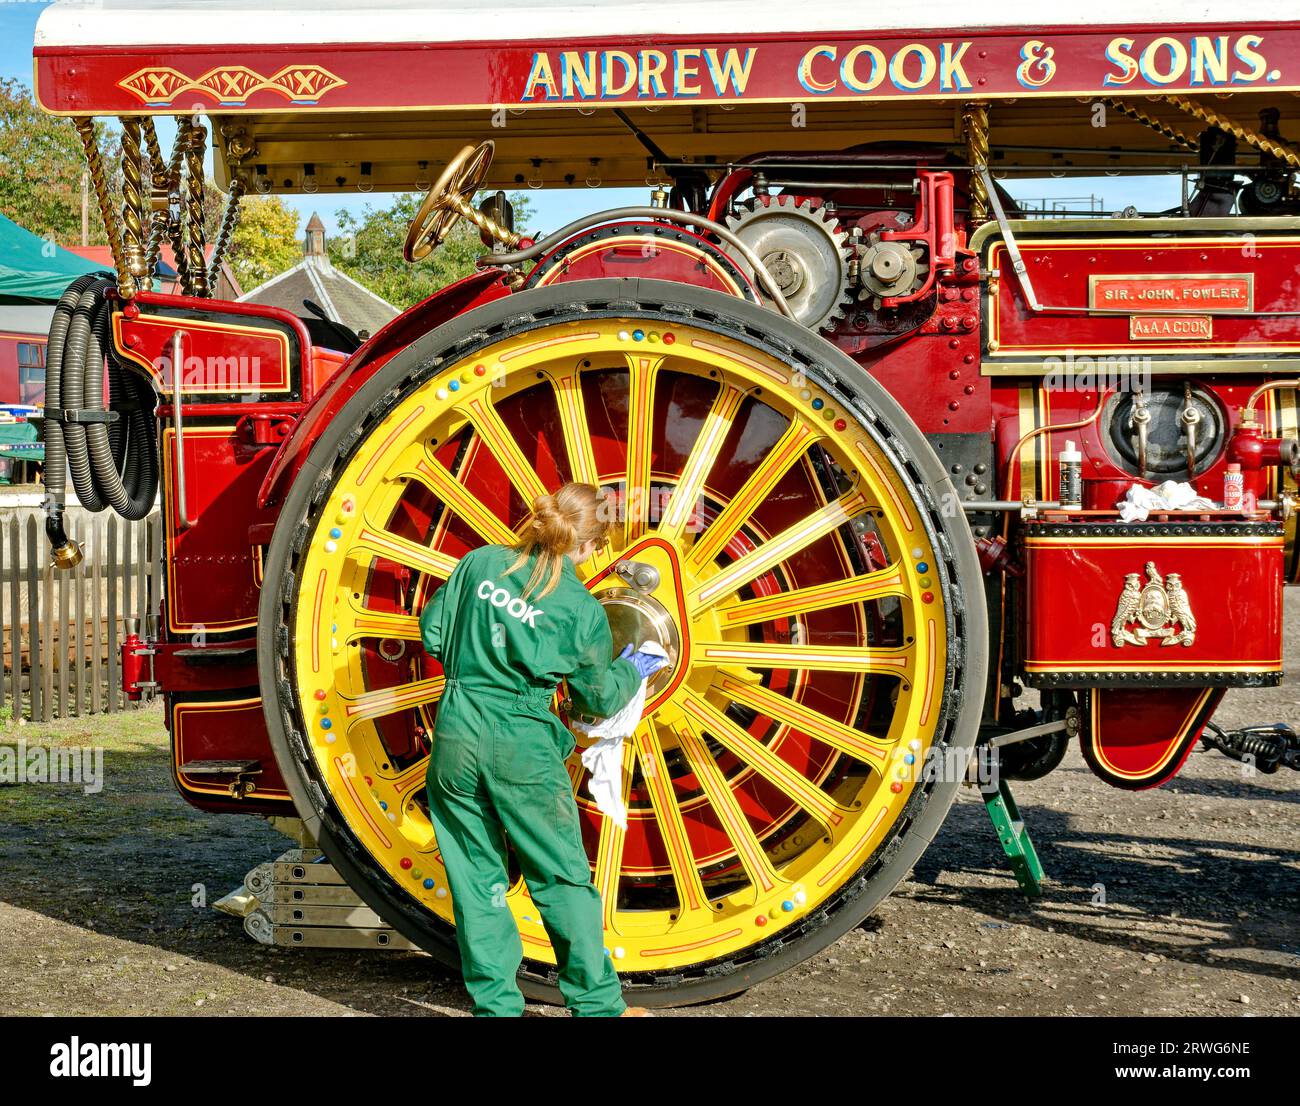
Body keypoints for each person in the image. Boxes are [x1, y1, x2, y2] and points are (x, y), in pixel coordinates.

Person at [419, 481, 669, 1017]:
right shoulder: (580, 609)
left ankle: (497, 1008)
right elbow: (597, 696)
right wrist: (634, 667)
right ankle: (599, 1006)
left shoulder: (480, 563)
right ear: (590, 547)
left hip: (456, 733)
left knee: (475, 879)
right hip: (523, 744)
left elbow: (434, 634)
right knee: (560, 878)